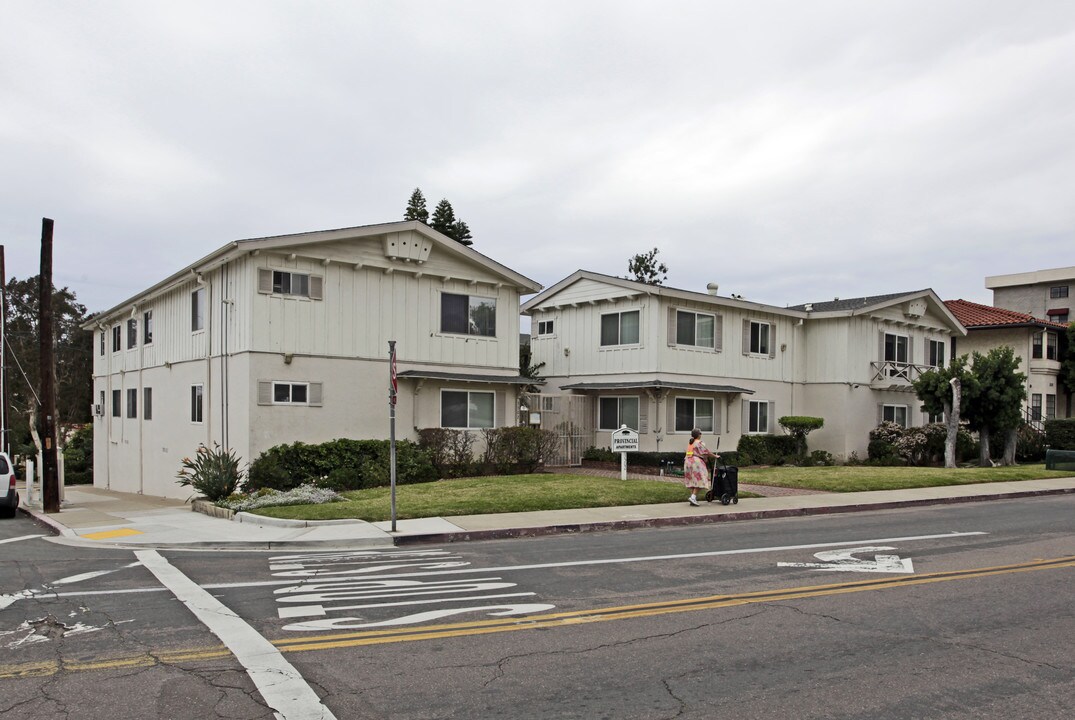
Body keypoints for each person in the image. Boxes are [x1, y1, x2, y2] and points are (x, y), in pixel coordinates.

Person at [683, 428, 716, 506]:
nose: (701, 435)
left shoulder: (691, 443)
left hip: (687, 462)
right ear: (698, 435)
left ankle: (692, 498)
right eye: (700, 433)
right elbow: (706, 452)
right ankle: (693, 497)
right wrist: (715, 456)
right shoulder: (699, 442)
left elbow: (692, 452)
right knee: (701, 479)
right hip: (696, 463)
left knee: (692, 480)